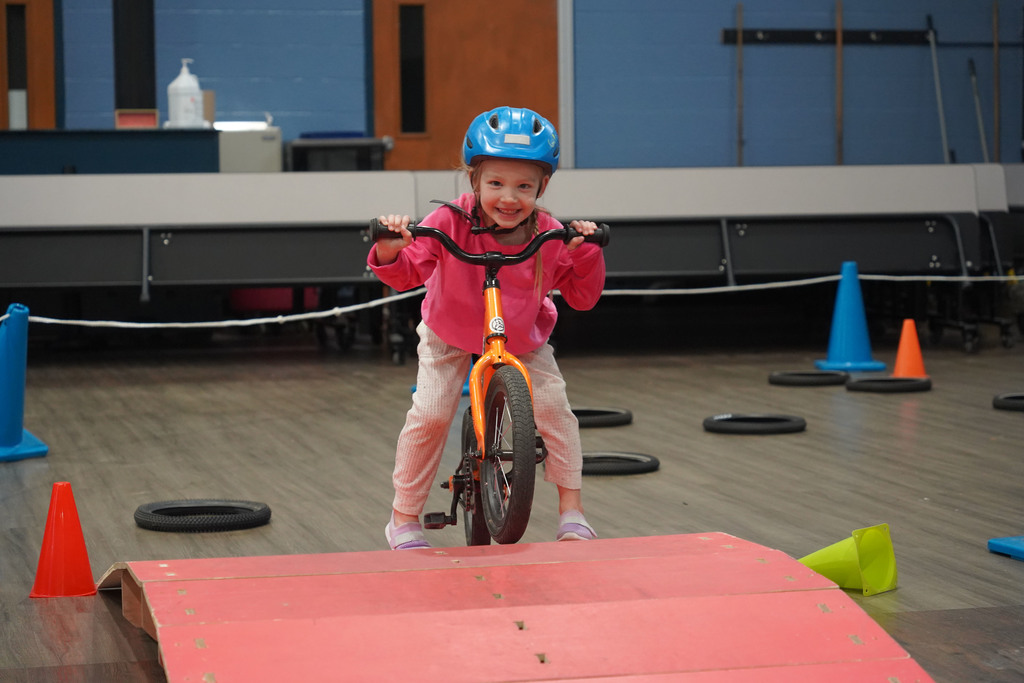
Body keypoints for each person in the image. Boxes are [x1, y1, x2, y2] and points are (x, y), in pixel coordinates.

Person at [368, 106, 606, 549]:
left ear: (543, 187)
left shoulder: (550, 233)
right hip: (449, 332)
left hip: (520, 337)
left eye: (524, 186)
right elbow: (405, 273)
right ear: (474, 181)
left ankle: (572, 512)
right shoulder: (448, 222)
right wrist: (387, 247)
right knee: (432, 412)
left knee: (555, 409)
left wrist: (586, 251)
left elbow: (582, 297)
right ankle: (403, 517)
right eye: (495, 183)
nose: (509, 198)